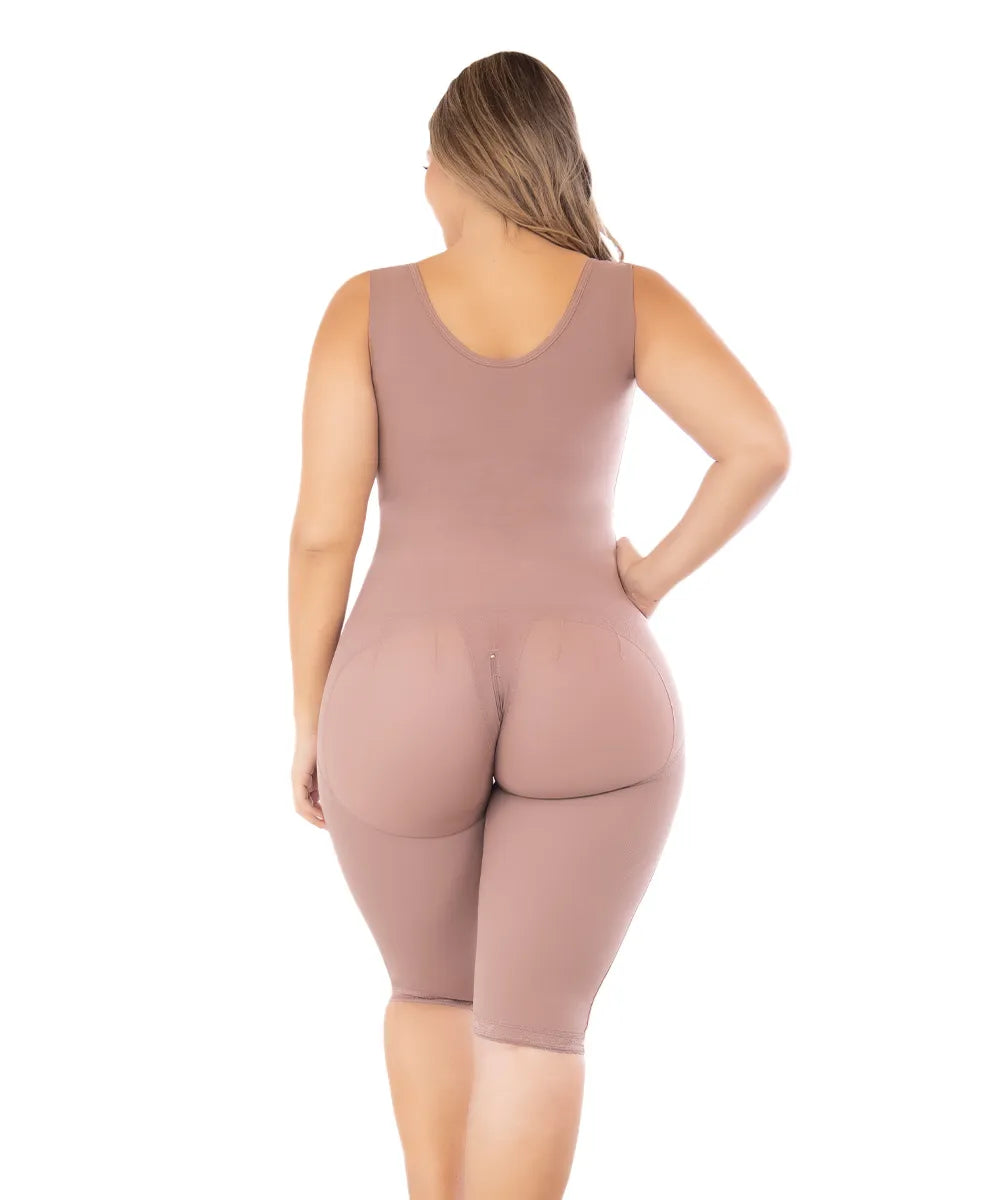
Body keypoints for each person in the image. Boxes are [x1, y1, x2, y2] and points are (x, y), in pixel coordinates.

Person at [288, 49, 790, 1200]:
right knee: (535, 1030)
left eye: (426, 161)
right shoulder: (629, 297)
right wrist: (648, 578)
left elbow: (322, 535)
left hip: (398, 684)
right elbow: (757, 446)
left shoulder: (364, 306)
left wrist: (311, 718)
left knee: (431, 989)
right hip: (592, 675)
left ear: (453, 166)